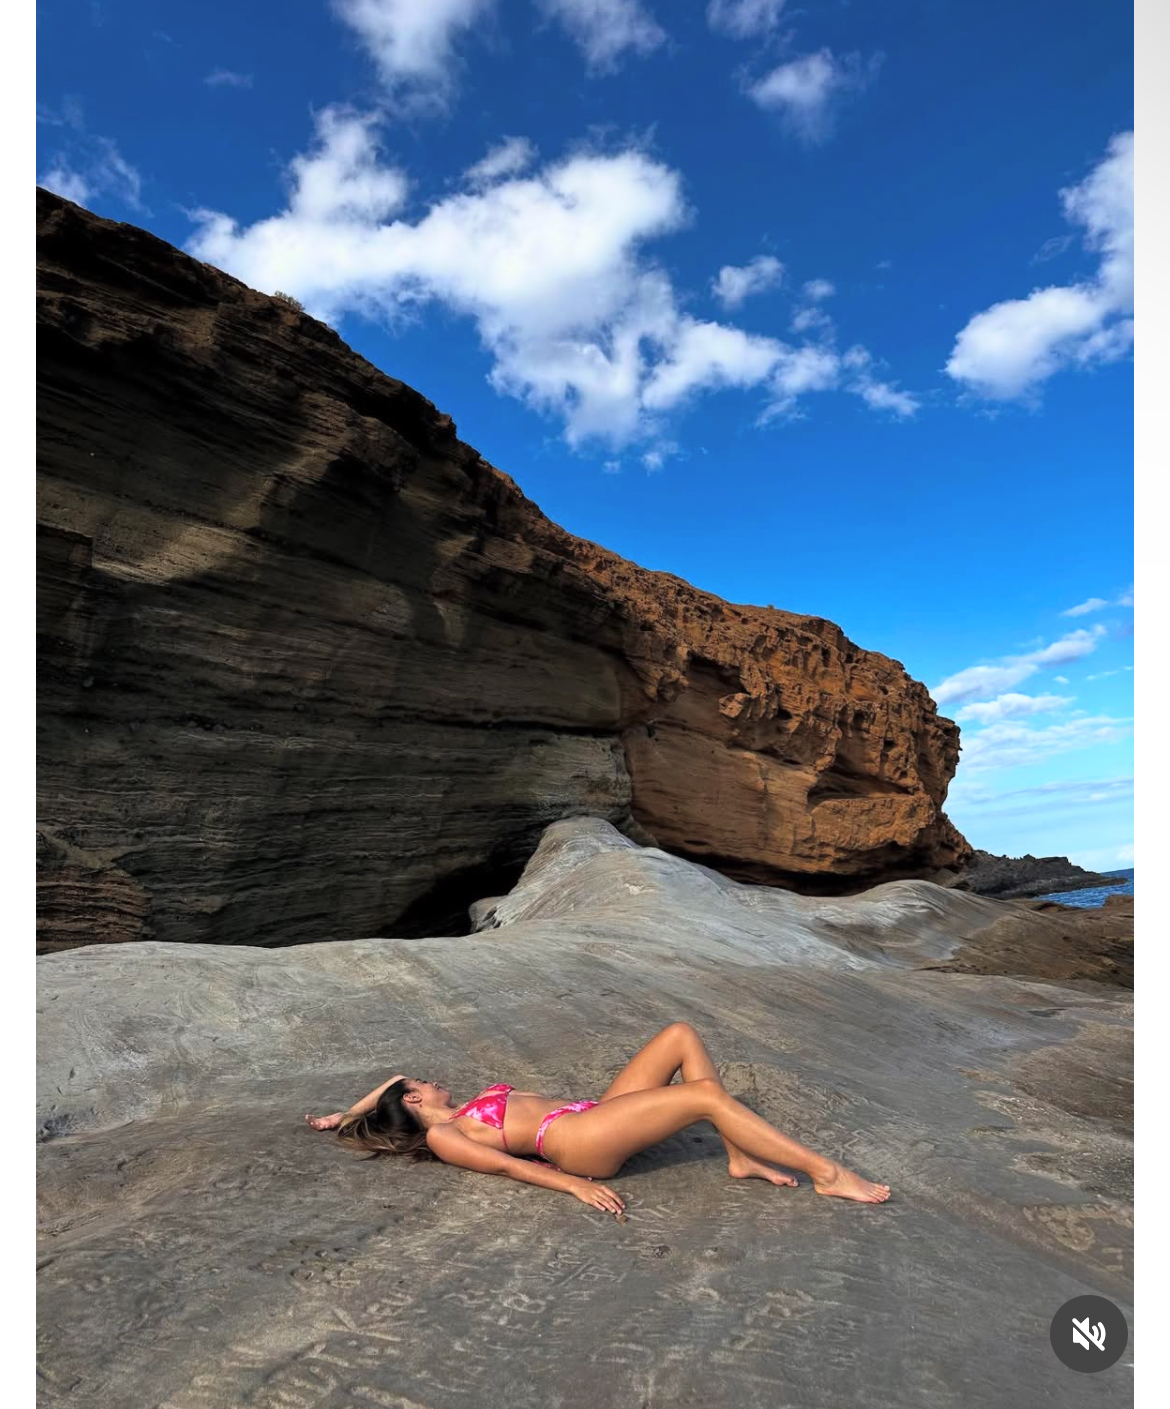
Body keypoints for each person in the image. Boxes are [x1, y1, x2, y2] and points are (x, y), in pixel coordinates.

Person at [305, 1021, 891, 1217]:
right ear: (413, 1101)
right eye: (423, 1083)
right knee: (707, 1097)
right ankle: (827, 1174)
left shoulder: (447, 1109)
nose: (432, 1080)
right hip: (579, 1143)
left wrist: (343, 1116)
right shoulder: (444, 1133)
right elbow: (506, 1168)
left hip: (592, 1112)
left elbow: (392, 1081)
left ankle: (740, 1157)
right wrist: (574, 1185)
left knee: (680, 1035)